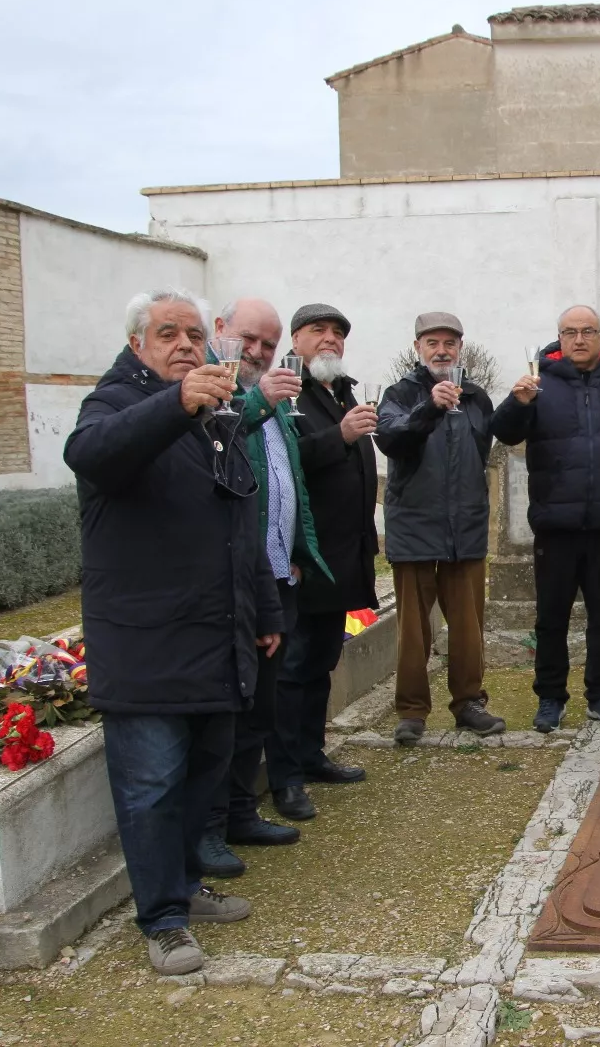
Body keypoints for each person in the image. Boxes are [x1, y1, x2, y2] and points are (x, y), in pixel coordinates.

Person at [64, 288, 280, 976]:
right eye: (167, 333)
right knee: (151, 787)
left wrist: (263, 612)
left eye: (194, 333)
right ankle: (161, 920)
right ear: (137, 346)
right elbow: (92, 454)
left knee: (201, 780)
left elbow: (237, 522)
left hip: (214, 637)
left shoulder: (213, 416)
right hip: (147, 644)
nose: (185, 344)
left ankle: (186, 887)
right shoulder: (117, 404)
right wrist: (175, 403)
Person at [197, 299, 334, 879]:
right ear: (222, 332)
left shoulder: (271, 400)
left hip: (275, 574)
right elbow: (217, 445)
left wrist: (293, 554)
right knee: (229, 708)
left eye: (266, 345)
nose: (256, 353)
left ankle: (240, 809)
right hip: (232, 579)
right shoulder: (215, 389)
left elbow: (288, 478)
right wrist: (259, 399)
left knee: (261, 705)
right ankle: (211, 826)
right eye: (249, 340)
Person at [491, 305, 600, 733]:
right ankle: (550, 697)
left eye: (587, 331)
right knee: (552, 617)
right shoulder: (538, 385)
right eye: (570, 332)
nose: (579, 339)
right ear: (559, 339)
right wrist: (517, 401)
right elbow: (506, 432)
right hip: (556, 524)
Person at [270, 303, 379, 822]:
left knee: (320, 664)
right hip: (302, 558)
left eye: (338, 332)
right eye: (319, 331)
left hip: (339, 557)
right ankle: (285, 777)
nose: (330, 339)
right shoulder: (286, 391)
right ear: (295, 340)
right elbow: (289, 461)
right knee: (292, 670)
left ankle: (311, 755)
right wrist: (341, 436)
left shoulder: (340, 391)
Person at [374, 311, 505, 743]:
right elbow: (391, 439)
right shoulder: (398, 393)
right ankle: (412, 711)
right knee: (413, 630)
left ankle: (469, 703)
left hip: (464, 526)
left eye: (450, 343)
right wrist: (430, 407)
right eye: (433, 343)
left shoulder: (477, 397)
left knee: (468, 626)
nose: (442, 350)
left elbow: (481, 452)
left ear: (460, 349)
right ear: (418, 349)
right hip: (413, 525)